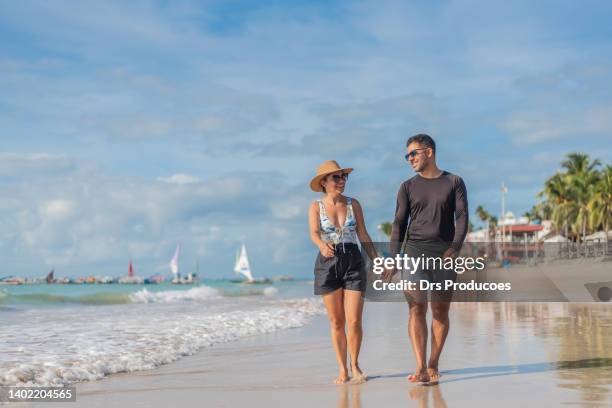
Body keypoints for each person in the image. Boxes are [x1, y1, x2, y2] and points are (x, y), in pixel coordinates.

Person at [383, 134, 468, 384]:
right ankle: (420, 365)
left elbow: (461, 217)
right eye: (407, 155)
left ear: (428, 152)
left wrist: (455, 249)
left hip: (444, 254)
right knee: (416, 307)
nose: (409, 159)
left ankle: (433, 362)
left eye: (413, 153)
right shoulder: (407, 187)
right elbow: (398, 224)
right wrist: (393, 258)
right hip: (414, 252)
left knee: (440, 311)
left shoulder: (454, 182)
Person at [308, 160, 378, 384]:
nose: (341, 181)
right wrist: (321, 245)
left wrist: (377, 260)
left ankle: (355, 365)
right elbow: (314, 233)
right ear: (324, 182)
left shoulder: (353, 204)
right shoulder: (315, 206)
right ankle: (342, 369)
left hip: (353, 261)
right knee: (337, 322)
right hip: (328, 263)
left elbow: (364, 234)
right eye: (336, 178)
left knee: (354, 320)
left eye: (343, 177)